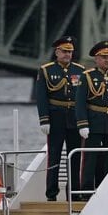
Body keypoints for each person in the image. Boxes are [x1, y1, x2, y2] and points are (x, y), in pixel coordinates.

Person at [75, 40, 108, 199]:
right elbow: (80, 102)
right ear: (96, 59)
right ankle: (86, 191)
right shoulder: (87, 76)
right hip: (93, 122)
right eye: (103, 57)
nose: (107, 60)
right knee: (90, 159)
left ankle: (107, 189)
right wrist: (82, 124)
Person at [34, 36, 86, 201]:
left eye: (70, 51)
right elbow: (41, 97)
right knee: (54, 155)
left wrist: (83, 121)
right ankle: (51, 193)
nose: (67, 54)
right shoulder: (46, 70)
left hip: (74, 118)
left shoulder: (80, 70)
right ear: (57, 52)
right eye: (64, 51)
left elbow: (83, 98)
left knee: (75, 156)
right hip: (55, 117)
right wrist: (44, 119)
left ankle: (74, 193)